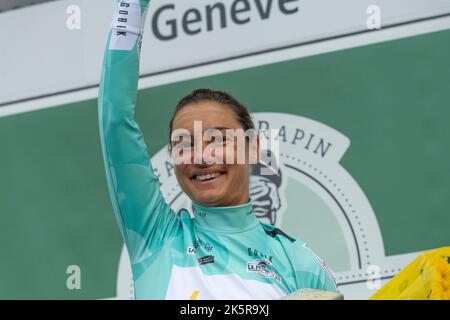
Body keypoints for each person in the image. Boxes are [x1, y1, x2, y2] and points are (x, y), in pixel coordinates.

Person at [98, 0, 337, 299]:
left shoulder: (299, 262)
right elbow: (114, 119)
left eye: (218, 140)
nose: (201, 156)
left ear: (253, 148)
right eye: (184, 144)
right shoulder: (156, 238)